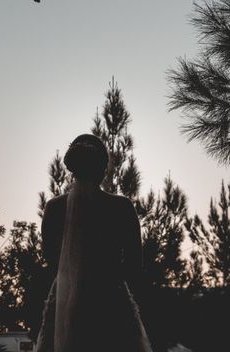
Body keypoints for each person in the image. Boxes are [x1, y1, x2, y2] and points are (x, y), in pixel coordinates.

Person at [36, 134, 152, 352]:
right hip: (111, 304)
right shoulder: (122, 208)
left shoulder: (54, 209)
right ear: (103, 168)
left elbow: (50, 259)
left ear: (73, 169)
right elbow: (136, 265)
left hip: (64, 298)